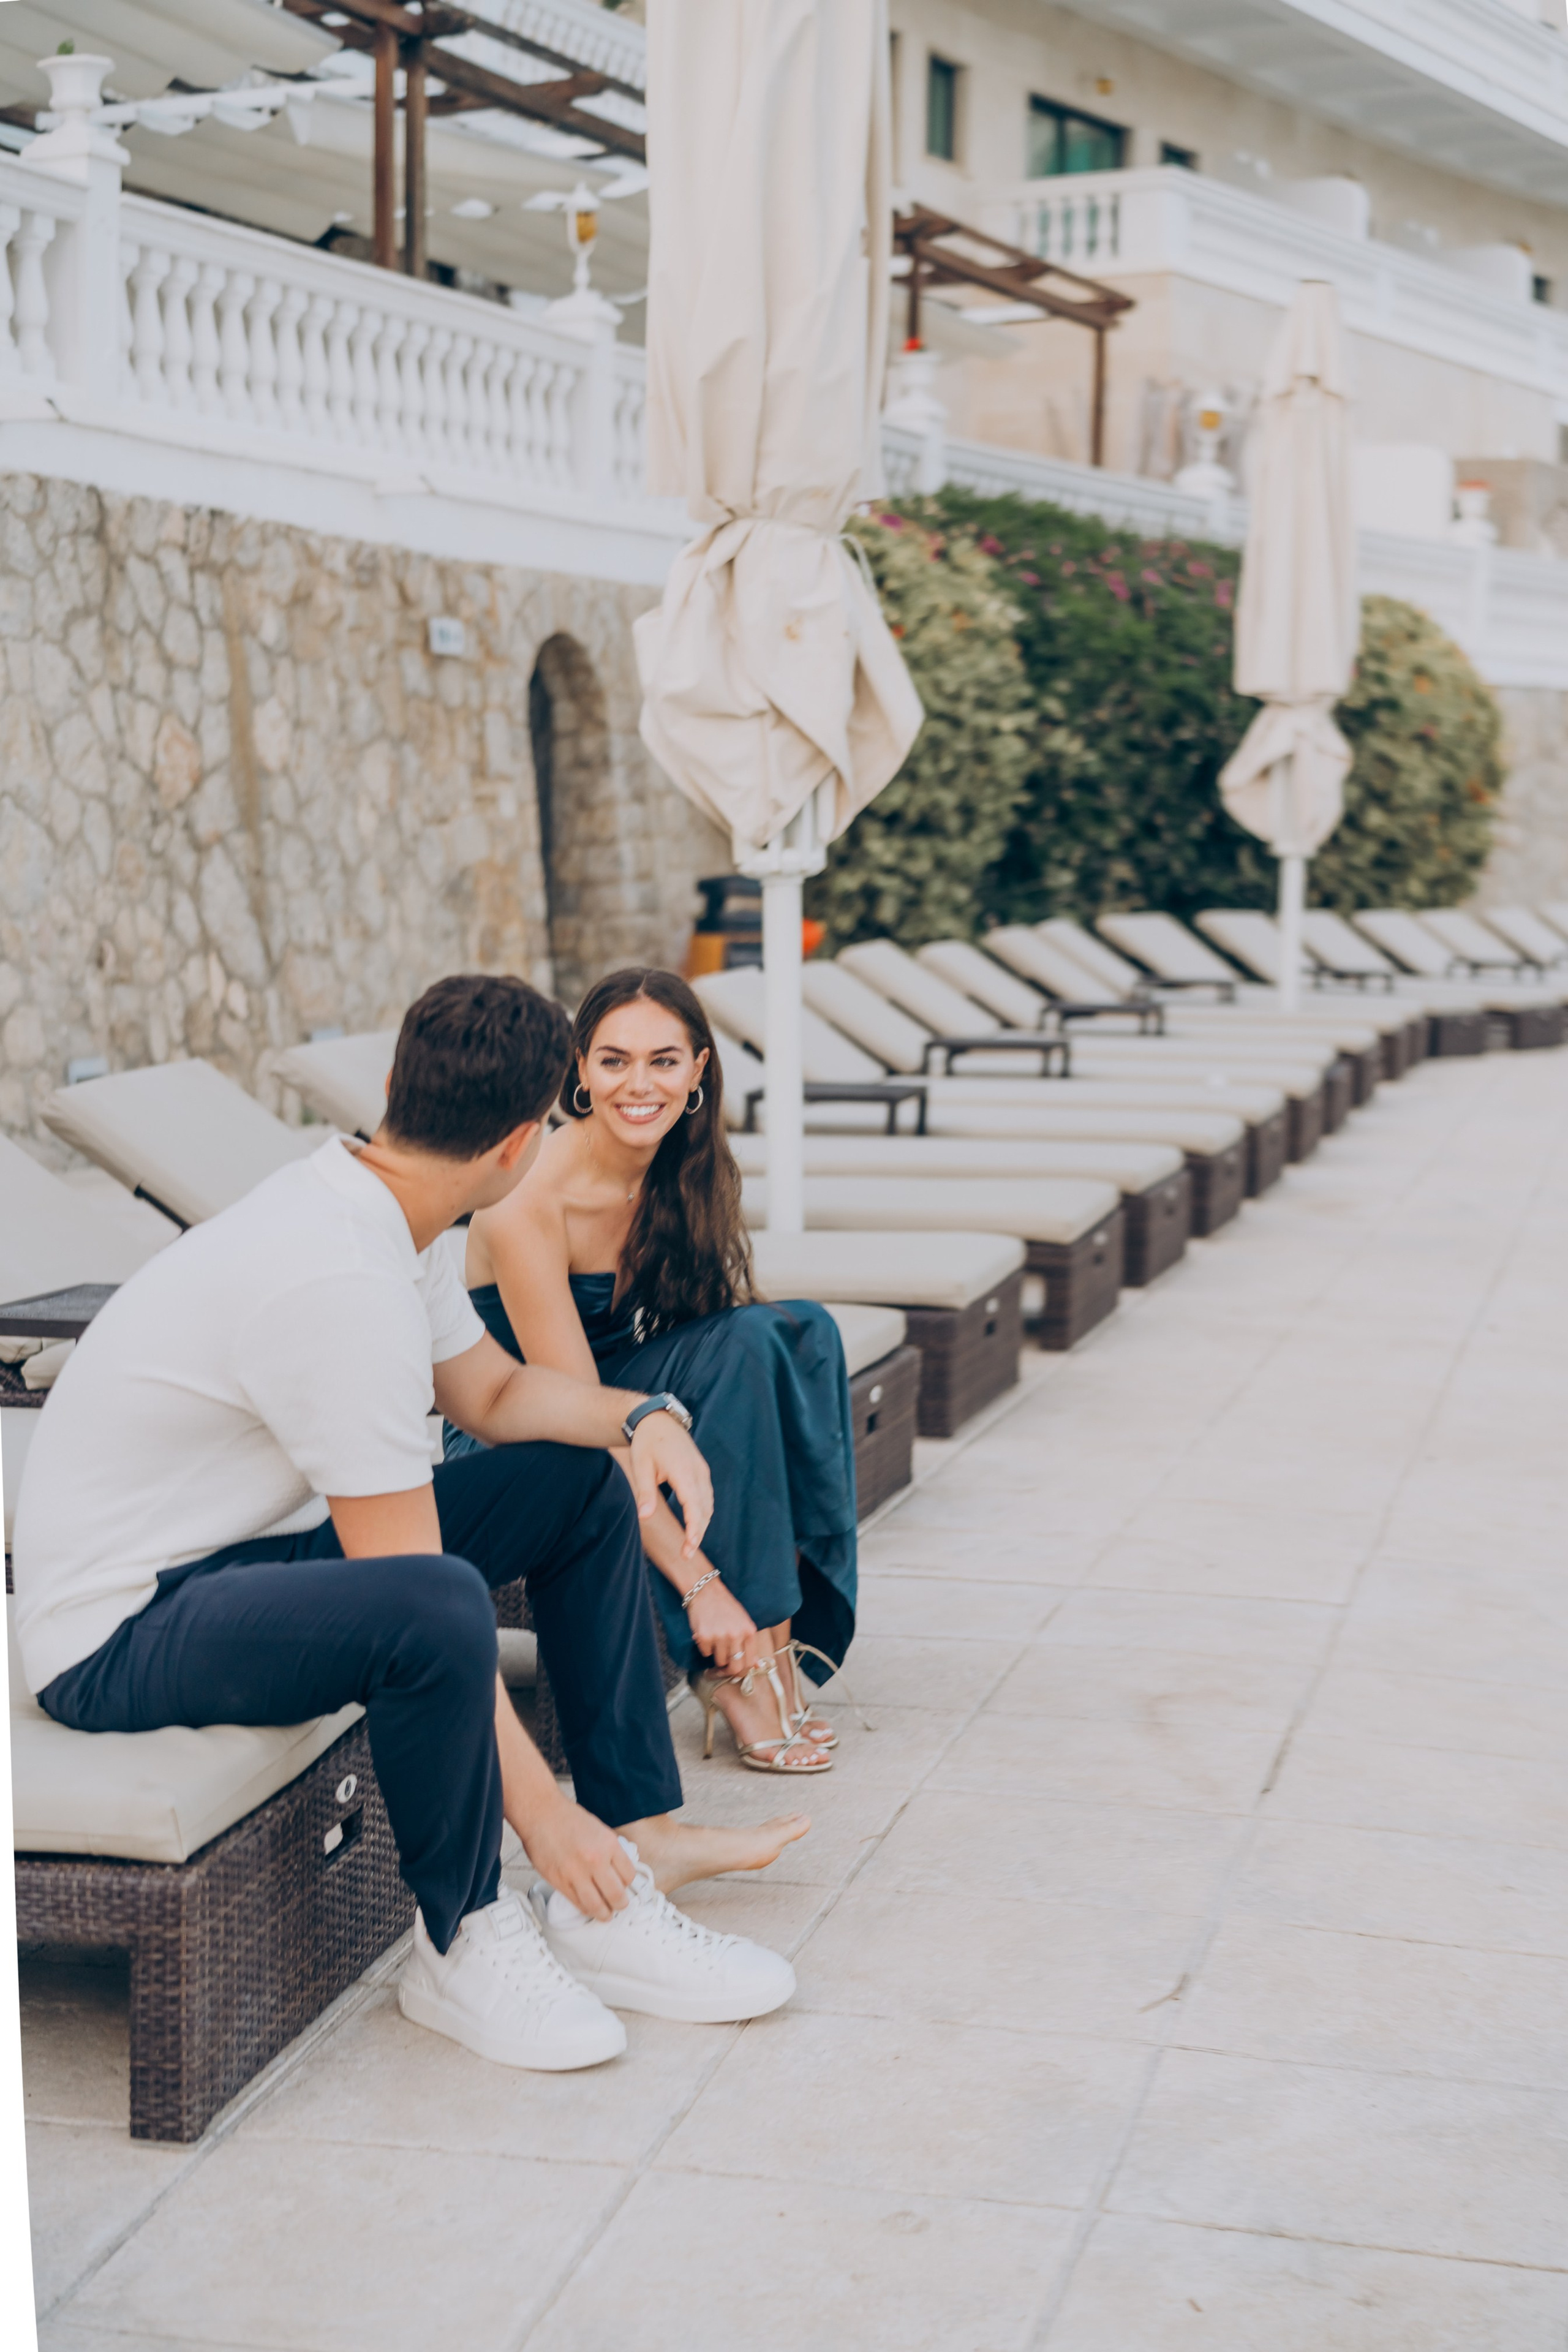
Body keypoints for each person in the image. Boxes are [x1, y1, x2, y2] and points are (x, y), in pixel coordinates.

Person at [11, 974, 807, 2076]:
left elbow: (491, 1397)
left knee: (575, 1481)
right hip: (114, 1635)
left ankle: (620, 1867)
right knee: (433, 1599)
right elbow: (411, 1578)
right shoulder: (335, 1280)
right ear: (526, 1143)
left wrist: (641, 1413)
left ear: (399, 1088)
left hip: (232, 1567)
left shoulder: (398, 1204)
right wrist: (542, 1820)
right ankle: (461, 1936)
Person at [448, 967, 858, 1774]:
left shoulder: (685, 1169)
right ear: (579, 1070)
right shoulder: (528, 1198)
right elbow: (581, 1413)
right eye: (614, 1061)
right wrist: (705, 1588)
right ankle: (735, 1668)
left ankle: (774, 1637)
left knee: (793, 1332)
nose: (640, 1085)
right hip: (522, 1423)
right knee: (743, 1352)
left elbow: (704, 1335)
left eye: (664, 1061)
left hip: (634, 1393)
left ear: (699, 1070)